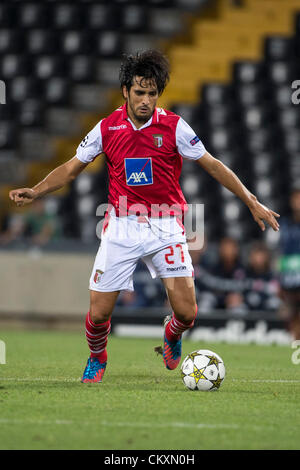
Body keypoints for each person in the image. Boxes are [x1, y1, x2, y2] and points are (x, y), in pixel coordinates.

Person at [9, 50, 280, 383]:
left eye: (152, 93)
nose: (146, 100)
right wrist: (36, 191)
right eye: (140, 92)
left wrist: (251, 201)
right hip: (122, 226)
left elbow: (212, 164)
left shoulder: (174, 127)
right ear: (126, 90)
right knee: (98, 313)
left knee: (187, 312)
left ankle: (172, 334)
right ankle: (97, 357)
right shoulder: (107, 128)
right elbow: (70, 169)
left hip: (166, 224)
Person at [278, 188, 300, 339]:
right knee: (290, 316)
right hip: (289, 278)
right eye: (296, 199)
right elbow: (279, 253)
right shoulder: (284, 224)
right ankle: (295, 350)